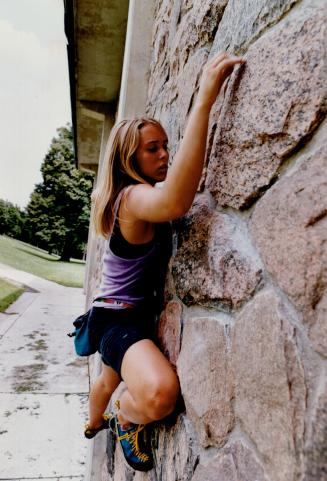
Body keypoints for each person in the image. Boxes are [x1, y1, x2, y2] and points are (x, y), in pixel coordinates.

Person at [83, 51, 245, 471]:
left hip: (128, 314)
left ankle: (92, 420)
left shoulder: (136, 197)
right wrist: (205, 98)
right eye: (152, 149)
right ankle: (121, 415)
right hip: (117, 320)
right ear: (129, 160)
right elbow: (176, 199)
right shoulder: (132, 199)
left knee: (106, 377)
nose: (164, 155)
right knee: (156, 394)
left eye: (165, 146)